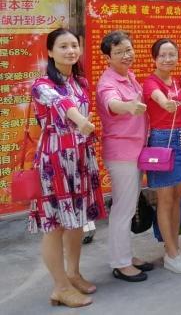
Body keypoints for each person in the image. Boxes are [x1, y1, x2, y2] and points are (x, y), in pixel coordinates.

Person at [29, 28, 106, 308]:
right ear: (50, 52)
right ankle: (60, 287)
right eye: (63, 46)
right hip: (55, 160)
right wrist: (80, 121)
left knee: (78, 220)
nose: (70, 51)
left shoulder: (80, 82)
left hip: (80, 158)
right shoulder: (41, 84)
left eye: (74, 45)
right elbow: (60, 104)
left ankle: (73, 274)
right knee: (56, 225)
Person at [96, 31, 153, 282]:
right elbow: (112, 103)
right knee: (123, 208)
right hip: (122, 154)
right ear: (108, 57)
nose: (126, 55)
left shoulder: (129, 76)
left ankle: (126, 255)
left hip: (135, 150)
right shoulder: (107, 82)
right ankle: (120, 263)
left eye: (128, 50)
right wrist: (128, 106)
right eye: (119, 52)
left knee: (129, 206)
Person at [142, 38, 181, 274]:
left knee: (178, 196)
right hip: (162, 141)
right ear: (154, 58)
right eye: (162, 55)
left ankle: (173, 248)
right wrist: (166, 103)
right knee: (165, 200)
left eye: (172, 54)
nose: (167, 59)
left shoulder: (176, 81)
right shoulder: (150, 82)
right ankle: (172, 255)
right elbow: (158, 98)